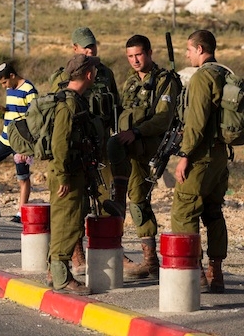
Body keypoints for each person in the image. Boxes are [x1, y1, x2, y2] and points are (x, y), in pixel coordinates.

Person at [105, 35, 180, 280]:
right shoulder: (129, 81)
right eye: (130, 56)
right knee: (116, 194)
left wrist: (136, 132)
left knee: (138, 197)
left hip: (147, 149)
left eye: (138, 55)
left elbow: (163, 118)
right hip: (125, 147)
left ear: (149, 52)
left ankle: (150, 260)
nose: (135, 60)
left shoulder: (164, 80)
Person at [49, 27, 119, 276]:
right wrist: (62, 171)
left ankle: (107, 251)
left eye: (93, 46)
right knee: (73, 207)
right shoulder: (64, 77)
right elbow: (61, 133)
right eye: (85, 47)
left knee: (104, 199)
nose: (91, 50)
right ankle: (74, 254)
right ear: (75, 49)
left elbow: (115, 108)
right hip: (76, 152)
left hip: (99, 148)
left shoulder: (105, 74)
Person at [173, 30, 229, 293]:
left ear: (200, 49)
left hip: (201, 156)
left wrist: (184, 156)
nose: (186, 54)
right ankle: (215, 271)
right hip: (220, 157)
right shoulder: (224, 74)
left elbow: (195, 123)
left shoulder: (201, 78)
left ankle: (194, 272)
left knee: (184, 211)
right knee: (214, 212)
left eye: (189, 49)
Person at [48, 54, 101, 296]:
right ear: (89, 74)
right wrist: (63, 177)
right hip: (66, 173)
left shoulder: (75, 100)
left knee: (68, 220)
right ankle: (61, 277)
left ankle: (55, 273)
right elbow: (60, 144)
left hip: (72, 171)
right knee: (66, 223)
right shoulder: (69, 104)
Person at [0, 62, 38, 223]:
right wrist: (3, 109)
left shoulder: (29, 90)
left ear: (12, 76)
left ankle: (21, 213)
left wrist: (27, 148)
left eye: (4, 82)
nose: (4, 86)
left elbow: (35, 120)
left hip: (21, 142)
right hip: (5, 138)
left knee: (22, 178)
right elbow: (14, 110)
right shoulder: (11, 89)